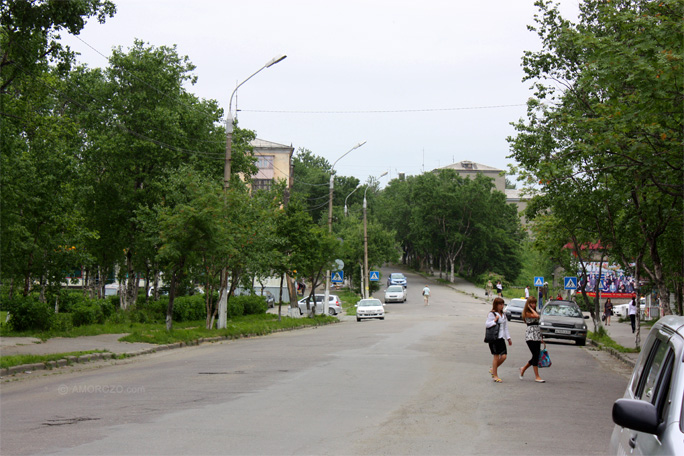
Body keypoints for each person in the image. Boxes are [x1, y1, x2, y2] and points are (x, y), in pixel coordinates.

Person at [519, 296, 545, 383]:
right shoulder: (526, 312)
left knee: (536, 355)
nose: (533, 305)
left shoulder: (534, 311)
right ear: (528, 304)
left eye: (534, 303)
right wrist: (529, 308)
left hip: (537, 335)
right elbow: (537, 316)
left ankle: (523, 368)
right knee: (535, 355)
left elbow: (538, 324)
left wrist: (541, 337)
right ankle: (537, 376)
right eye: (532, 303)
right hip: (530, 336)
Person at [486, 297, 512, 383]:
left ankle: (493, 369)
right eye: (500, 304)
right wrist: (495, 320)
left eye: (503, 304)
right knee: (496, 356)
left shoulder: (504, 315)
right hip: (494, 338)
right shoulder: (492, 314)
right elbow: (487, 325)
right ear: (496, 305)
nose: (502, 306)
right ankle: (495, 375)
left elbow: (506, 328)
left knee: (504, 356)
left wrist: (508, 338)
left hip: (501, 338)